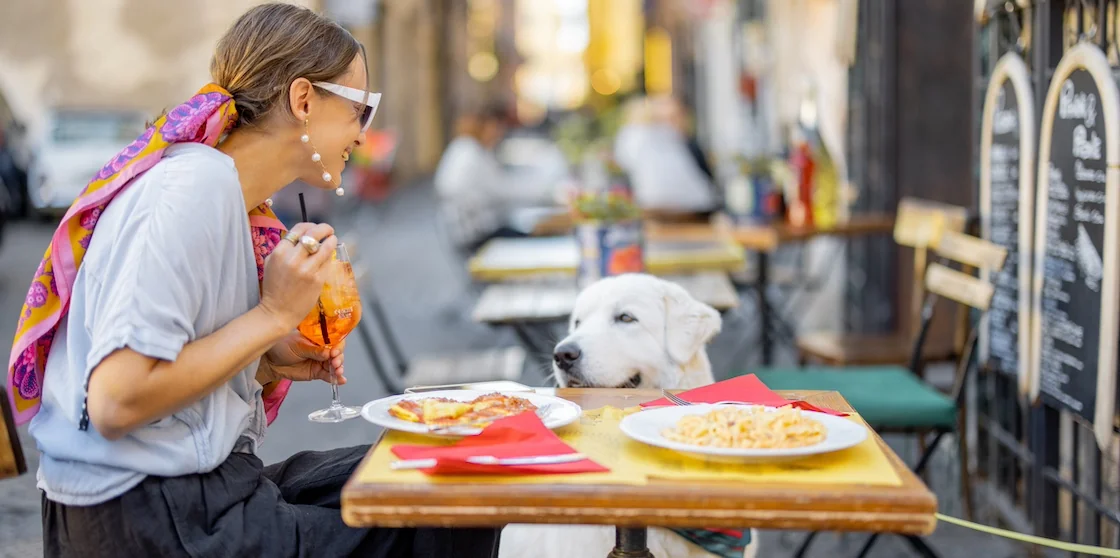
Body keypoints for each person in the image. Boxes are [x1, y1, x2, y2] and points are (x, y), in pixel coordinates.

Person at [7, 4, 499, 557]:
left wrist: (268, 355)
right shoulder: (191, 189)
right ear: (304, 100)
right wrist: (271, 317)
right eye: (362, 110)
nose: (365, 134)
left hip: (190, 492)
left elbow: (173, 372)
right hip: (145, 516)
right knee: (448, 514)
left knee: (441, 471)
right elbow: (116, 401)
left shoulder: (233, 198)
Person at [433, 103, 562, 250]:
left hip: (465, 233)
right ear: (484, 127)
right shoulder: (473, 155)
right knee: (546, 238)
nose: (499, 133)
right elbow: (505, 191)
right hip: (481, 236)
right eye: (496, 127)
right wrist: (548, 192)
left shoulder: (461, 148)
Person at [613, 96, 718, 214]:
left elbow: (623, 163)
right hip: (695, 205)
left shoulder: (632, 137)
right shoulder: (672, 137)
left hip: (656, 205)